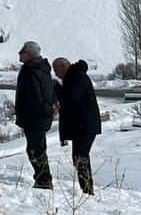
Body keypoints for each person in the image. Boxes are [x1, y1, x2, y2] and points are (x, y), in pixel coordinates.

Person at [54, 57, 103, 194]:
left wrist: (57, 89)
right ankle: (86, 188)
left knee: (80, 157)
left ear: (64, 66)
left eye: (57, 71)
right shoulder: (73, 77)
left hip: (85, 125)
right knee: (79, 157)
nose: (57, 75)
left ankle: (88, 189)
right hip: (82, 125)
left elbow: (71, 98)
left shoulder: (77, 77)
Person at [14, 40, 57, 188]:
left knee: (35, 150)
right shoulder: (40, 69)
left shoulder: (32, 71)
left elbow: (35, 98)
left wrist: (41, 112)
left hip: (35, 118)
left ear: (29, 54)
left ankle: (43, 180)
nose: (19, 54)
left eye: (22, 51)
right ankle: (43, 178)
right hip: (38, 117)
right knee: (37, 149)